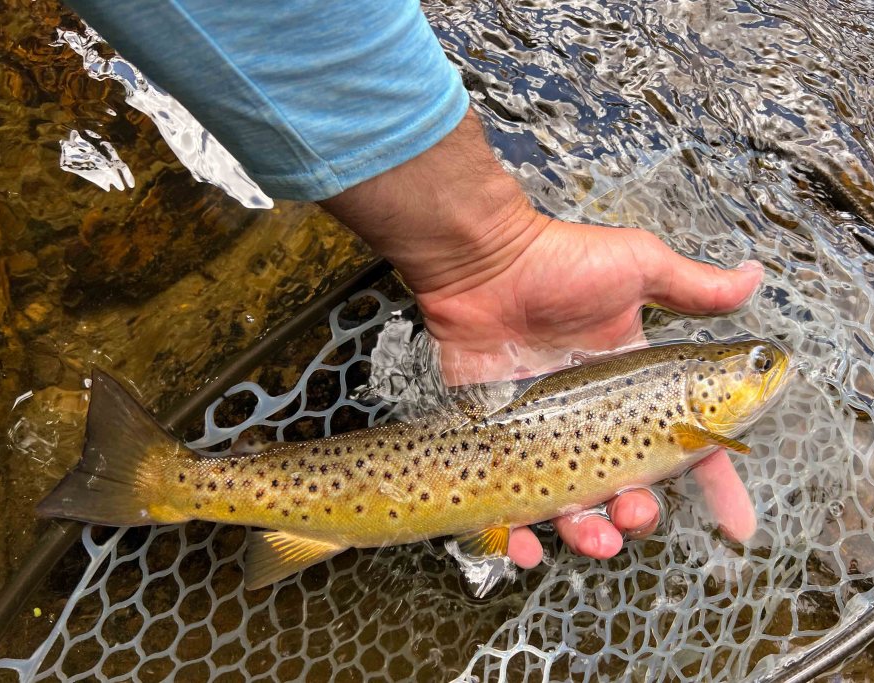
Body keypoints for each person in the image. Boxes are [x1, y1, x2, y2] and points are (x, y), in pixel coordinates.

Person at [66, 0, 764, 568]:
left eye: (757, 364)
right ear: (695, 393)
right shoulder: (685, 421)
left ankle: (176, 483)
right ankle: (162, 481)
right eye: (754, 365)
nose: (767, 369)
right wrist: (489, 247)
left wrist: (488, 245)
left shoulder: (683, 419)